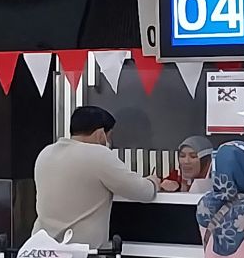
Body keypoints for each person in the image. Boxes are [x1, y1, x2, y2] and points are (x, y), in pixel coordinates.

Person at [32, 105, 158, 246]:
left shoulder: (46, 153)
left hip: (41, 250)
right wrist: (153, 181)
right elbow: (142, 191)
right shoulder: (98, 155)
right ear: (100, 134)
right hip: (81, 256)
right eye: (109, 136)